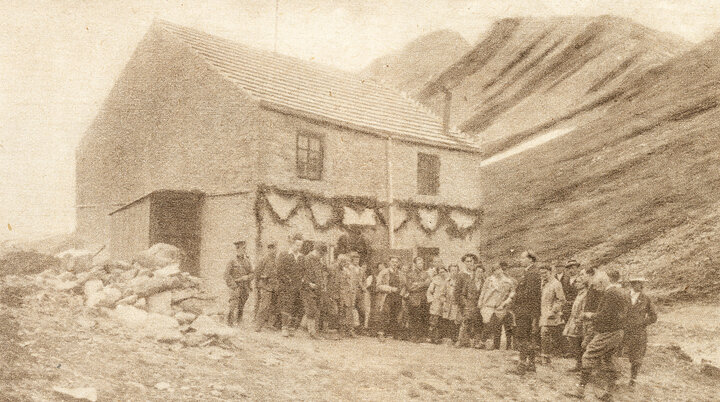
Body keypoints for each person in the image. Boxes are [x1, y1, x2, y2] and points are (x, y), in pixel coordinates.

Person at [569, 269, 630, 400]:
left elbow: (605, 316)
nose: (596, 289)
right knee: (608, 360)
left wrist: (589, 315)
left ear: (602, 283)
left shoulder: (610, 293)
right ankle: (610, 392)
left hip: (608, 332)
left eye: (596, 286)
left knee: (588, 356)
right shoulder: (621, 292)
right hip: (617, 332)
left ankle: (580, 389)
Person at [508, 252, 542, 375]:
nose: (520, 260)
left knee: (523, 337)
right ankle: (531, 364)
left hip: (526, 311)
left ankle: (522, 364)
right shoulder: (528, 272)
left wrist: (514, 296)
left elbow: (529, 295)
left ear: (531, 260)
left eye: (523, 258)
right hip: (527, 310)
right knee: (528, 338)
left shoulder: (532, 274)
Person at [623, 277, 657, 386]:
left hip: (638, 332)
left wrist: (642, 323)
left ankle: (633, 379)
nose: (641, 286)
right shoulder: (624, 296)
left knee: (637, 356)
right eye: (639, 283)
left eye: (642, 284)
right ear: (633, 284)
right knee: (614, 352)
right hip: (622, 330)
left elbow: (653, 316)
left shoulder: (646, 299)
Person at [478, 261, 516, 349]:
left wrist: (506, 302)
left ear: (501, 270)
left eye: (498, 269)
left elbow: (512, 293)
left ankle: (484, 342)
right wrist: (480, 302)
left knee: (493, 323)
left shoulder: (508, 281)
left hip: (500, 306)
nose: (497, 272)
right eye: (494, 270)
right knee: (488, 323)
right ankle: (487, 342)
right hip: (488, 304)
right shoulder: (489, 279)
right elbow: (483, 291)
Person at [277, 234, 305, 337]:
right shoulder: (284, 255)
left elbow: (303, 271)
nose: (299, 247)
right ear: (292, 244)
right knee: (286, 306)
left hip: (298, 286)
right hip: (286, 286)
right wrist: (288, 280)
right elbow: (279, 271)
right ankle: (284, 328)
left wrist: (302, 280)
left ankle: (292, 328)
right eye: (297, 245)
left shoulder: (302, 257)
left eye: (300, 245)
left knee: (297, 307)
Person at [539, 263, 566, 364]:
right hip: (542, 313)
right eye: (541, 273)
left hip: (551, 314)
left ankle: (546, 356)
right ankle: (545, 356)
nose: (543, 275)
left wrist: (553, 311)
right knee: (544, 335)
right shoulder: (541, 283)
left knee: (545, 333)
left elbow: (561, 300)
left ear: (550, 272)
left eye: (545, 273)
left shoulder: (556, 284)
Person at [563, 269, 589, 372]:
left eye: (579, 282)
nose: (576, 284)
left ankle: (582, 365)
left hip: (579, 322)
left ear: (584, 284)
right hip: (573, 320)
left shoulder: (585, 294)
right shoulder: (579, 293)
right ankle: (578, 363)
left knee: (579, 342)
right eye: (576, 282)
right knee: (572, 341)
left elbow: (583, 309)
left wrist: (579, 321)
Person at [224, 240, 253, 326]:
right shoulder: (232, 261)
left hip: (245, 286)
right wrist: (234, 286)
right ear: (238, 249)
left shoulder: (247, 261)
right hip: (235, 286)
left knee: (242, 305)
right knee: (233, 304)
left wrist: (247, 277)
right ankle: (229, 323)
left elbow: (252, 273)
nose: (244, 250)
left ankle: (239, 322)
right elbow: (226, 275)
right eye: (243, 248)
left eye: (245, 248)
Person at [376, 256, 406, 340]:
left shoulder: (401, 274)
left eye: (396, 262)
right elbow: (378, 286)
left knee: (396, 314)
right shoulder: (383, 272)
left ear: (398, 263)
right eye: (393, 262)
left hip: (397, 297)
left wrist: (402, 293)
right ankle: (381, 333)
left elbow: (404, 285)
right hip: (387, 296)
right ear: (389, 262)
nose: (394, 264)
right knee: (384, 314)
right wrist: (390, 289)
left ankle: (394, 333)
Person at [456, 254, 482, 347]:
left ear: (474, 262)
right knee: (466, 321)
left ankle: (476, 342)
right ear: (464, 263)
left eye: (471, 261)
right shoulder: (461, 275)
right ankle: (463, 341)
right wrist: (463, 304)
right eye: (467, 261)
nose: (469, 263)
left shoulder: (478, 273)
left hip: (478, 303)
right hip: (466, 303)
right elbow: (458, 292)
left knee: (477, 322)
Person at [302, 243, 327, 338]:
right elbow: (301, 274)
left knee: (315, 310)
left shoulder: (318, 261)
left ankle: (309, 330)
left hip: (317, 289)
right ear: (316, 251)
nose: (321, 256)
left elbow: (322, 273)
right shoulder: (307, 259)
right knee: (311, 309)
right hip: (308, 288)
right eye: (321, 254)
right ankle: (311, 332)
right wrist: (308, 283)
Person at [405, 256, 432, 342]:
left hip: (424, 298)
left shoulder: (426, 273)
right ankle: (414, 336)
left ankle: (421, 336)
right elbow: (410, 287)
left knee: (423, 317)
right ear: (415, 264)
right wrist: (423, 284)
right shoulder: (409, 274)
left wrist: (418, 284)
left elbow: (429, 284)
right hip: (413, 299)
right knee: (414, 317)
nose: (421, 264)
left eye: (422, 262)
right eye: (419, 263)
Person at [254, 242, 278, 332]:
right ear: (269, 249)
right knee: (264, 306)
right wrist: (258, 285)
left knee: (273, 307)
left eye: (275, 249)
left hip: (274, 287)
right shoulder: (264, 259)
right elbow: (257, 272)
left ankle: (270, 324)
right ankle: (258, 325)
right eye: (272, 249)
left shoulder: (276, 260)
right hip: (265, 286)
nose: (274, 251)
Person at [337, 254, 360, 338]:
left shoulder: (352, 270)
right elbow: (340, 283)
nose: (347, 263)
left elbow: (354, 282)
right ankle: (342, 330)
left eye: (347, 261)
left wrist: (353, 291)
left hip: (350, 294)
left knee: (350, 312)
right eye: (345, 262)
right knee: (342, 312)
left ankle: (350, 330)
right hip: (343, 294)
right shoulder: (341, 270)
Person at [427, 263, 450, 344]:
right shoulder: (435, 280)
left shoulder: (449, 279)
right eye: (440, 272)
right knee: (434, 320)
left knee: (442, 321)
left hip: (446, 302)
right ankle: (430, 337)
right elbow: (429, 292)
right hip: (436, 302)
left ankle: (439, 337)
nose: (442, 273)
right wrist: (432, 301)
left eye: (443, 272)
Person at [443, 263, 462, 342]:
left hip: (457, 304)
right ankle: (450, 338)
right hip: (448, 304)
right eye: (452, 270)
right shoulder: (447, 281)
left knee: (457, 321)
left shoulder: (461, 281)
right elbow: (442, 294)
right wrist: (444, 301)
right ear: (449, 272)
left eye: (455, 270)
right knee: (450, 321)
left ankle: (457, 339)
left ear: (458, 271)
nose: (453, 272)